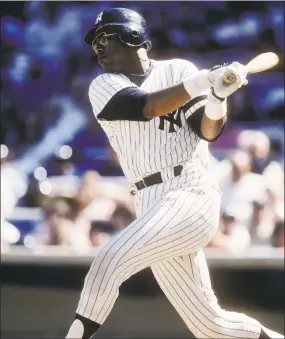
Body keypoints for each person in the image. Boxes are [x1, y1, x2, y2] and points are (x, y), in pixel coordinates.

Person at [65, 7, 283, 339]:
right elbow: (147, 106)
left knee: (109, 261)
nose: (98, 49)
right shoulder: (104, 85)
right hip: (150, 202)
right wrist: (203, 81)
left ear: (132, 35)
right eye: (95, 43)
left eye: (104, 38)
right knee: (211, 327)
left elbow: (209, 131)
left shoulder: (178, 70)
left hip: (190, 192)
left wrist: (217, 97)